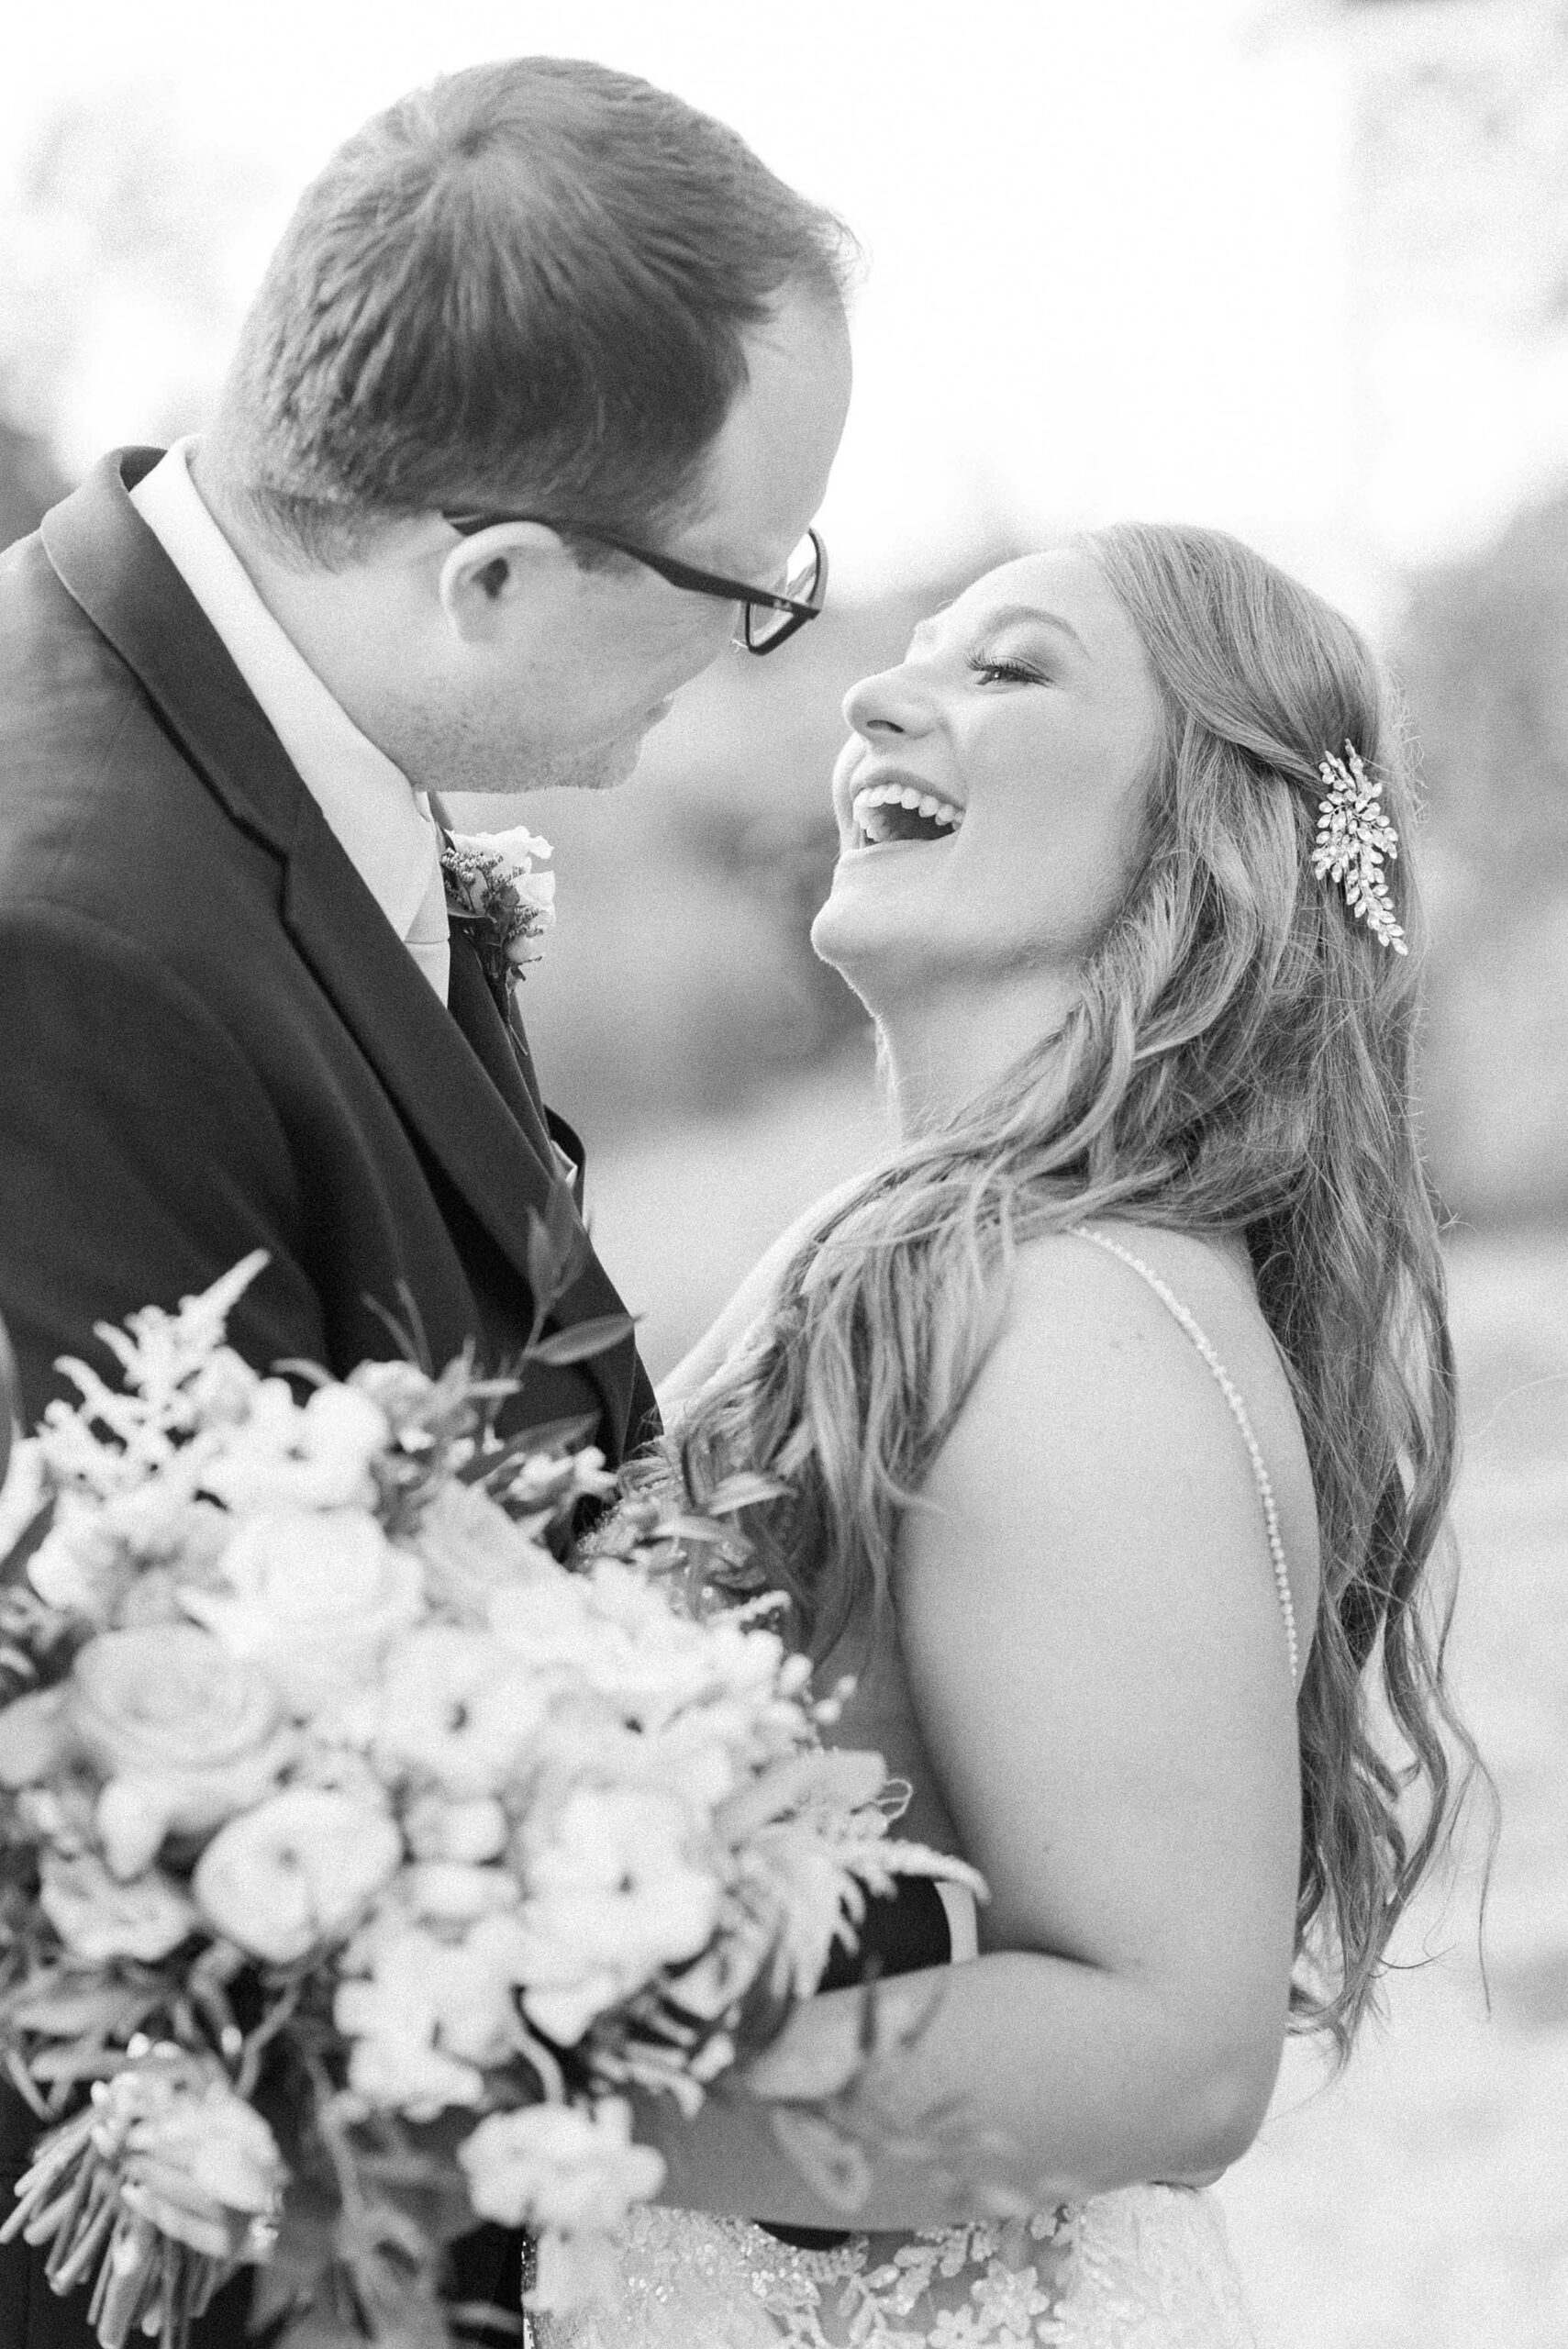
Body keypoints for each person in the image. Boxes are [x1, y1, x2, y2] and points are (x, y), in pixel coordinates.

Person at [0, 56, 851, 2348]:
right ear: (490, 573)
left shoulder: (265, 753)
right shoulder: (63, 934)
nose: (762, 638)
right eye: (747, 583)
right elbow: (133, 1816)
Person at [540, 525, 1478, 2346]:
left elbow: (1175, 2046)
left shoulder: (1069, 1315)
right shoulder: (973, 1261)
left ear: (1208, 823)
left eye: (1009, 667)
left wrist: (501, 2092)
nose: (881, 692)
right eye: (921, 655)